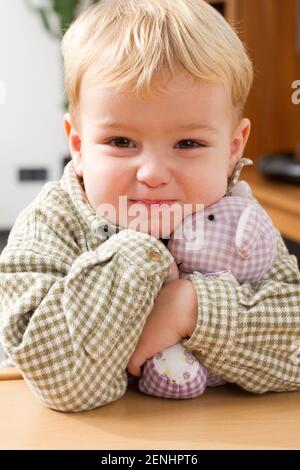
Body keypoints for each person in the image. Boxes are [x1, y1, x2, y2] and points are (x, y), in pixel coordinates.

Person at [0, 0, 299, 412]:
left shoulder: (241, 222)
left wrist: (190, 308)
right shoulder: (51, 222)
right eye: (121, 142)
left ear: (233, 149)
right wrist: (142, 252)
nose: (153, 173)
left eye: (188, 144)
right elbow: (62, 382)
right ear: (77, 145)